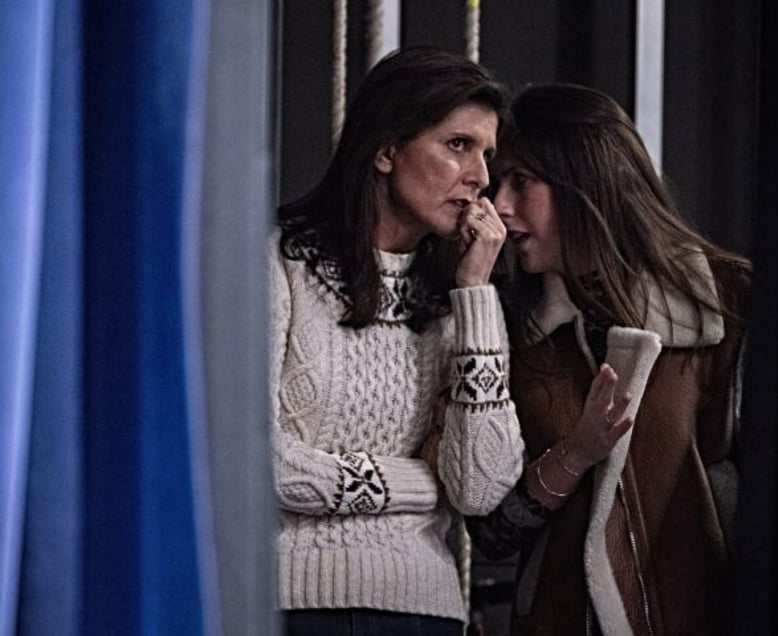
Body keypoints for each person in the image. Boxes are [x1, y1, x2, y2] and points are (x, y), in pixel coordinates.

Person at [465, 83, 751, 635]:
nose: (498, 205)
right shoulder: (512, 331)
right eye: (500, 184)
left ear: (584, 184)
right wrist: (573, 454)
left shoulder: (726, 303)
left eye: (521, 182)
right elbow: (494, 533)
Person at [268, 47, 525, 636]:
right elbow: (257, 461)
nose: (482, 177)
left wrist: (475, 294)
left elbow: (482, 488)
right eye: (458, 145)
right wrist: (419, 482)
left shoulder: (461, 297)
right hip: (290, 607)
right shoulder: (280, 262)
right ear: (386, 150)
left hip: (425, 612)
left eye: (487, 153)